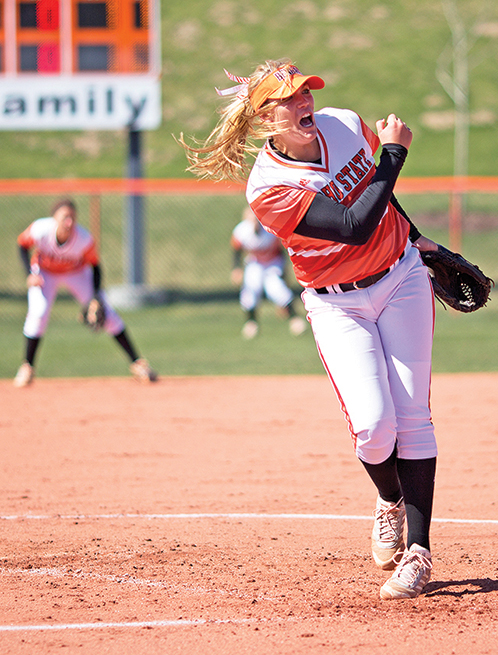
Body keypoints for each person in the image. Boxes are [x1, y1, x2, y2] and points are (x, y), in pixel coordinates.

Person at [182, 60, 439, 600]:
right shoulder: (268, 188)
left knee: (413, 413)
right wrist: (395, 153)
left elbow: (381, 198)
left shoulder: (345, 123)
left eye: (305, 91)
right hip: (337, 304)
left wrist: (418, 238)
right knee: (373, 426)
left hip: (401, 278)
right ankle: (389, 499)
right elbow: (352, 225)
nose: (303, 103)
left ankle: (418, 552)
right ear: (264, 116)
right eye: (287, 98)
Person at [13, 198, 158, 388]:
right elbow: (22, 245)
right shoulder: (40, 229)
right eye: (65, 216)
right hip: (45, 273)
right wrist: (29, 274)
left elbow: (96, 267)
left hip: (76, 273)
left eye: (72, 217)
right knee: (38, 313)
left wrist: (96, 297)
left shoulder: (83, 238)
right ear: (54, 217)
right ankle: (27, 367)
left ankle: (138, 364)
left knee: (108, 315)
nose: (69, 221)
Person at [231, 205, 307, 339]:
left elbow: (281, 253)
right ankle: (251, 322)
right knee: (251, 287)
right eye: (251, 220)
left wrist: (284, 275)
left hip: (272, 263)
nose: (254, 222)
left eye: (255, 219)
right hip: (255, 262)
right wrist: (236, 268)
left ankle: (294, 319)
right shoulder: (241, 231)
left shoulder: (270, 230)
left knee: (276, 289)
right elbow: (236, 250)